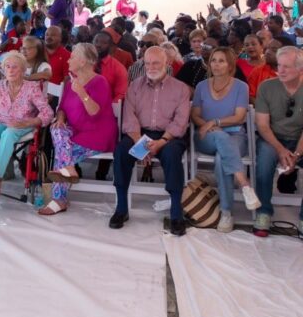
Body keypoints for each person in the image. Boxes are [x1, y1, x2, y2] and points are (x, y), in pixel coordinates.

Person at [110, 46, 191, 236]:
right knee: (122, 152)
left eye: (156, 63)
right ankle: (121, 208)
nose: (151, 67)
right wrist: (141, 145)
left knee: (172, 155)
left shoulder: (180, 88)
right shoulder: (135, 86)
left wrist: (161, 142)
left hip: (168, 137)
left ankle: (176, 214)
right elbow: (129, 117)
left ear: (167, 63)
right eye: (147, 63)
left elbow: (180, 122)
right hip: (140, 134)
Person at [36, 42, 116, 214]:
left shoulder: (99, 82)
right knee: (56, 129)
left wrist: (81, 92)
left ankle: (59, 199)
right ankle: (67, 170)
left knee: (61, 154)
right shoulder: (69, 81)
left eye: (72, 57)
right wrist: (61, 118)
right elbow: (62, 108)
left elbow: (94, 112)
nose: (68, 60)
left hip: (97, 134)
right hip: (74, 131)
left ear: (83, 61)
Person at [190, 47, 260, 232]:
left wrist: (216, 121)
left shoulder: (240, 87)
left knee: (223, 158)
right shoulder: (201, 86)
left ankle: (226, 213)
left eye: (221, 61)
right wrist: (208, 125)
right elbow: (195, 115)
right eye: (214, 60)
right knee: (220, 136)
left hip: (235, 135)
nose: (216, 64)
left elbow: (239, 117)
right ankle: (244, 184)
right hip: (207, 136)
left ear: (230, 65)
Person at [0, 51, 53, 201]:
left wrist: (28, 122)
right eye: (7, 67)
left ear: (23, 70)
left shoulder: (32, 87)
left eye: (14, 67)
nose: (10, 70)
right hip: (2, 120)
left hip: (24, 123)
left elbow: (47, 113)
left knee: (8, 134)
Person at [252, 46, 303, 237]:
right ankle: (263, 212)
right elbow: (263, 126)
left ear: (300, 70)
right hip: (272, 138)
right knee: (264, 163)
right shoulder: (267, 87)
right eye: (279, 65)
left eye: (286, 67)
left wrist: (296, 155)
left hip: (299, 141)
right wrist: (281, 151)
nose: (280, 70)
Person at [93, 31, 128, 102]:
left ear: (110, 46)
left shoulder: (118, 68)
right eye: (96, 41)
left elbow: (121, 94)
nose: (98, 45)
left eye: (104, 42)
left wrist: (107, 109)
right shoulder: (83, 62)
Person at [248, 38, 282, 103]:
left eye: (274, 50)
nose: (268, 52)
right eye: (267, 48)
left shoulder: (297, 74)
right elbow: (251, 96)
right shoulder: (257, 71)